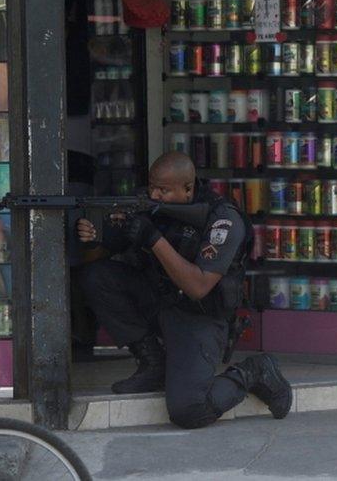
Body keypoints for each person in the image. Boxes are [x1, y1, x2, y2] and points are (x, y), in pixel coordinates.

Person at [77, 152, 292, 429]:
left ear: (188, 188)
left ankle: (254, 371)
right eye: (152, 187)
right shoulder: (149, 203)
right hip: (160, 301)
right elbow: (108, 253)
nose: (155, 194)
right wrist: (98, 235)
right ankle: (153, 363)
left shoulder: (222, 220)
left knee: (190, 410)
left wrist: (152, 238)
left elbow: (198, 286)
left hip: (199, 316)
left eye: (163, 190)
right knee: (98, 276)